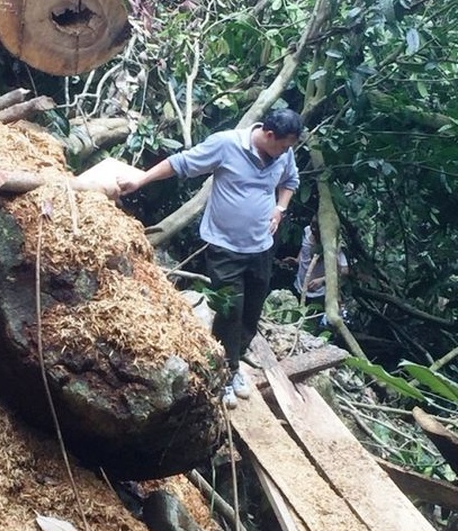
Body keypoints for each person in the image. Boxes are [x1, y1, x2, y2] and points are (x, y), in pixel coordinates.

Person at [118, 109, 302, 409]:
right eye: (283, 145)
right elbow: (182, 163)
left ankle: (233, 360)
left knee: (252, 310)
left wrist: (279, 209)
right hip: (225, 247)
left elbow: (290, 181)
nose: (286, 151)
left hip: (260, 247)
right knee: (230, 310)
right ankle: (225, 374)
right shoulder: (227, 144)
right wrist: (141, 180)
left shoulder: (283, 154)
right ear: (269, 135)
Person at [291, 215, 349, 304]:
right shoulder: (307, 231)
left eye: (317, 227)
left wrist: (323, 280)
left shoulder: (334, 245)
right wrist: (297, 260)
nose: (313, 229)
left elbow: (344, 271)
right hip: (299, 287)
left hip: (319, 294)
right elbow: (304, 249)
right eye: (312, 224)